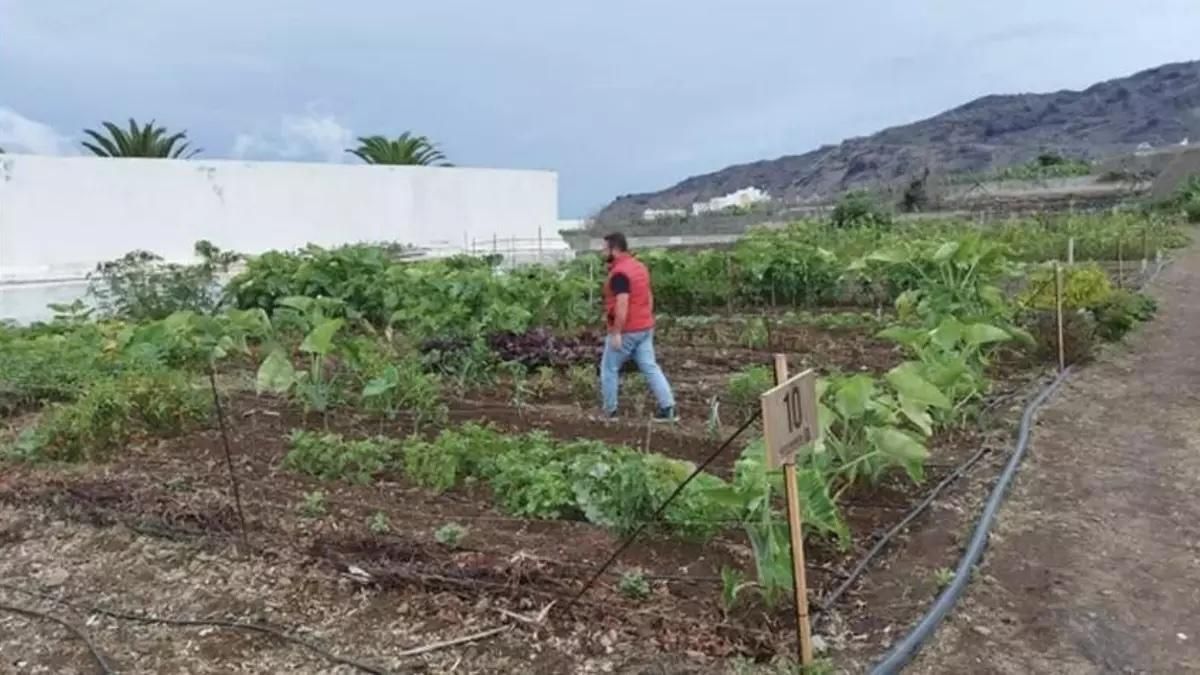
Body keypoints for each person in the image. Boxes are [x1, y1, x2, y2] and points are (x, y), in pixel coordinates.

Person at [599, 232, 676, 421]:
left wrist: (616, 332)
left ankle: (610, 412)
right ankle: (668, 408)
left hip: (627, 330)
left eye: (604, 248)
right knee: (650, 367)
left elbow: (622, 304)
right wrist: (646, 317)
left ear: (614, 249)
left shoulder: (620, 274)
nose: (602, 252)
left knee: (609, 368)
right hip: (645, 327)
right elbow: (649, 296)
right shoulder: (639, 267)